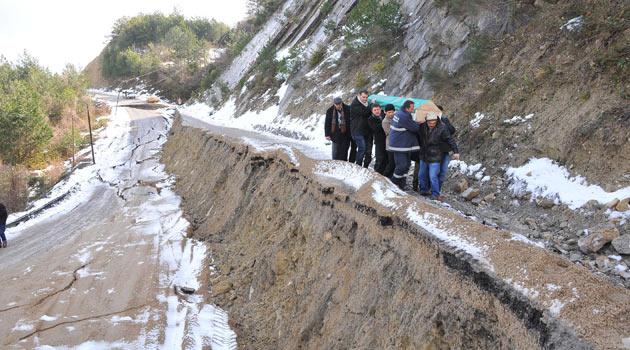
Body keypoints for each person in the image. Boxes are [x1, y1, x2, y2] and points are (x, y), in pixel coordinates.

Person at [418, 113, 460, 200]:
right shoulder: (422, 126)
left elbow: (450, 140)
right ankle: (423, 190)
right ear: (426, 121)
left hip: (435, 155)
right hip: (424, 154)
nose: (432, 124)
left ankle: (435, 194)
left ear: (436, 121)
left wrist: (456, 151)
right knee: (421, 174)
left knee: (433, 175)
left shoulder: (442, 128)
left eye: (434, 122)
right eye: (430, 122)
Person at [389, 100, 421, 190]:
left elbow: (410, 124)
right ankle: (392, 184)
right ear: (407, 108)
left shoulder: (400, 113)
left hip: (401, 144)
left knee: (406, 165)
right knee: (402, 165)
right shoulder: (404, 116)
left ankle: (402, 185)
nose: (413, 109)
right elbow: (415, 128)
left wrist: (414, 122)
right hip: (400, 146)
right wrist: (418, 123)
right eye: (411, 108)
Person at [436, 104, 456, 191]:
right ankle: (432, 190)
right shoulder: (429, 121)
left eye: (440, 112)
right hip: (434, 151)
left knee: (443, 172)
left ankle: (437, 191)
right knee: (434, 172)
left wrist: (445, 125)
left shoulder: (444, 120)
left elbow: (452, 130)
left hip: (445, 150)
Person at [349, 90, 372, 168]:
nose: (365, 99)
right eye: (363, 97)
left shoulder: (366, 103)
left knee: (365, 149)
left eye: (366, 97)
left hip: (365, 130)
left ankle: (363, 166)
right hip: (357, 130)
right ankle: (358, 166)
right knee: (362, 148)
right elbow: (364, 112)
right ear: (359, 95)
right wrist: (371, 105)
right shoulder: (355, 104)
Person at [367, 103, 387, 175]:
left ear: (380, 109)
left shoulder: (384, 115)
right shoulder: (370, 119)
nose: (377, 111)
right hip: (379, 141)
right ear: (372, 111)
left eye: (378, 109)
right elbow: (375, 128)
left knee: (387, 158)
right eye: (375, 110)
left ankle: (385, 174)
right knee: (379, 158)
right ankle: (377, 174)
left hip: (388, 140)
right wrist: (384, 122)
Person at [381, 104, 396, 178]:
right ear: (385, 112)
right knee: (391, 164)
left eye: (392, 112)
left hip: (397, 145)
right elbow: (389, 132)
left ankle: (391, 179)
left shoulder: (396, 118)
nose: (391, 114)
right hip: (390, 145)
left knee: (395, 164)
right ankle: (384, 177)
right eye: (389, 112)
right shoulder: (385, 121)